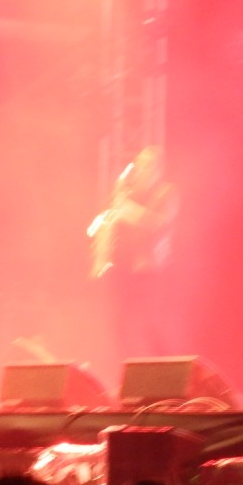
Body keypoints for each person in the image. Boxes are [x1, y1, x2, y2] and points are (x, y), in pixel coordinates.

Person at [86, 146, 179, 368]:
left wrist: (129, 211)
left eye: (147, 165)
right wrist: (101, 255)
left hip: (150, 272)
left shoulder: (166, 193)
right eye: (139, 165)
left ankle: (167, 371)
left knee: (150, 325)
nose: (140, 170)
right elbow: (112, 224)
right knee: (119, 326)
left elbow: (159, 223)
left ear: (157, 168)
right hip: (123, 270)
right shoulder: (128, 194)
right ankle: (127, 372)